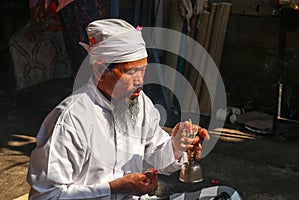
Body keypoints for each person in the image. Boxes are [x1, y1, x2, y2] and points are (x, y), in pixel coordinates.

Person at [26, 18, 210, 199]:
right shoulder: (72, 119)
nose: (140, 81)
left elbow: (158, 156)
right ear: (100, 71)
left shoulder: (139, 102)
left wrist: (176, 146)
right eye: (131, 72)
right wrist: (113, 188)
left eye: (143, 70)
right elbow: (46, 196)